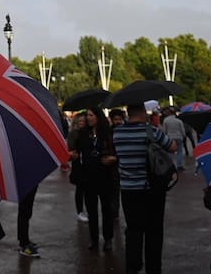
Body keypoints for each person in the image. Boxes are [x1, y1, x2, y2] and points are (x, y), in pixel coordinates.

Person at [113, 102, 177, 274]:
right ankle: (153, 268)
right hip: (151, 188)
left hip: (128, 189)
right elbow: (172, 146)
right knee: (154, 231)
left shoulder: (117, 133)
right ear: (142, 113)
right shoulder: (150, 131)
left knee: (133, 229)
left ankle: (132, 266)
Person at [72, 108, 117, 251]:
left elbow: (115, 152)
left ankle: (108, 238)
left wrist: (113, 159)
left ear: (98, 116)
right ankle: (94, 238)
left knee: (106, 209)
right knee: (91, 209)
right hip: (88, 176)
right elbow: (77, 151)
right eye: (87, 115)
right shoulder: (83, 134)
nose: (88, 118)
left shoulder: (107, 133)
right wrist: (73, 155)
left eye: (91, 115)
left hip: (105, 175)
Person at [66, 112, 88, 223]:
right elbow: (71, 150)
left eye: (84, 121)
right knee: (80, 188)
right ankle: (79, 211)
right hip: (78, 164)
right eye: (80, 121)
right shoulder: (74, 133)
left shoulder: (88, 132)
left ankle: (84, 210)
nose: (82, 123)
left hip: (87, 164)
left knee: (86, 188)